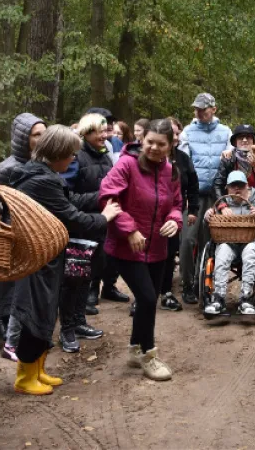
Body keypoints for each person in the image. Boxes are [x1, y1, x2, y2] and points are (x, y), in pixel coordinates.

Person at [5, 126, 121, 395]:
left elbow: (70, 200)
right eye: (70, 154)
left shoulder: (43, 174)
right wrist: (105, 217)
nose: (73, 160)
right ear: (56, 153)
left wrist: (102, 197)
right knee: (35, 315)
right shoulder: (41, 180)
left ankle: (37, 370)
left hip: (44, 256)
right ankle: (25, 377)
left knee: (44, 313)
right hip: (37, 258)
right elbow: (72, 217)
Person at [100, 119, 182, 381]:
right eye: (150, 142)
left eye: (161, 144)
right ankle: (149, 355)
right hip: (126, 246)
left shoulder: (171, 171)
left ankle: (135, 348)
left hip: (157, 246)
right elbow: (108, 196)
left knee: (150, 301)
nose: (154, 148)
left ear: (171, 145)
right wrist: (130, 229)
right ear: (142, 140)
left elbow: (177, 203)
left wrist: (174, 219)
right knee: (146, 299)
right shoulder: (127, 164)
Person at [0, 113, 46, 361]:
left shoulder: (44, 165)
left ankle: (24, 337)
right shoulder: (7, 168)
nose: (42, 139)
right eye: (36, 135)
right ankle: (9, 341)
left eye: (45, 133)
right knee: (14, 291)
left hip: (38, 236)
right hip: (15, 235)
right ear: (24, 138)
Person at [66, 113, 125, 350]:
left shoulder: (105, 157)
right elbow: (66, 197)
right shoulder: (74, 158)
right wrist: (99, 199)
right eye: (99, 132)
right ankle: (67, 329)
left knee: (87, 276)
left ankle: (79, 321)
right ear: (86, 133)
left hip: (101, 226)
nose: (105, 135)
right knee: (73, 279)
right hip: (80, 227)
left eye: (106, 131)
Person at [178, 92, 231, 304]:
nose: (199, 112)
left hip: (216, 194)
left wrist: (230, 153)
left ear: (214, 109)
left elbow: (231, 153)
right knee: (188, 239)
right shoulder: (187, 132)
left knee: (209, 240)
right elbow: (183, 160)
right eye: (196, 109)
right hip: (193, 195)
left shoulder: (225, 132)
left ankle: (205, 282)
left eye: (203, 108)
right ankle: (187, 284)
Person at [203, 171, 255, 316]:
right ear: (227, 188)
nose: (237, 189)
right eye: (233, 186)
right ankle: (218, 298)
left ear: (247, 186)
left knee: (250, 251)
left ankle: (246, 298)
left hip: (254, 241)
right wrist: (207, 217)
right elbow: (209, 226)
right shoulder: (222, 203)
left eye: (241, 185)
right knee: (222, 251)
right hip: (229, 241)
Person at [159, 118, 198, 313]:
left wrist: (192, 211)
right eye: (171, 133)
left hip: (176, 211)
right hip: (150, 213)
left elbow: (192, 186)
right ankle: (143, 295)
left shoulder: (183, 158)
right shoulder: (147, 157)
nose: (175, 137)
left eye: (177, 133)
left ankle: (166, 291)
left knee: (169, 251)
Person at [213, 124, 255, 205]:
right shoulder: (228, 158)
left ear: (253, 141)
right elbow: (218, 184)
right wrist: (223, 205)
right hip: (233, 202)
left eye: (248, 137)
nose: (244, 140)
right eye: (240, 137)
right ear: (235, 142)